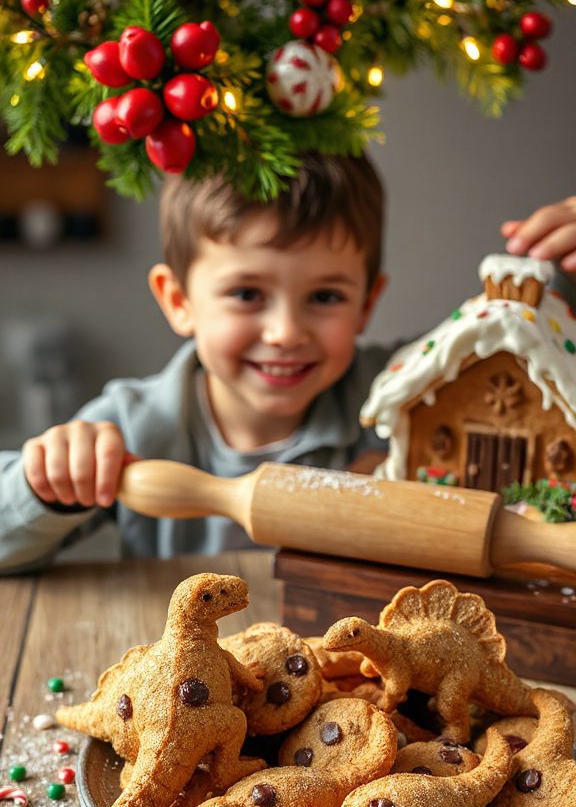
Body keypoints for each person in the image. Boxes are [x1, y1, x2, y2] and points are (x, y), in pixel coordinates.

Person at [0, 159, 574, 571]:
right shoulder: (133, 426)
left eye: (325, 297)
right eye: (247, 294)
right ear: (178, 300)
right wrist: (43, 485)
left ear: (367, 303)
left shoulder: (415, 392)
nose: (285, 333)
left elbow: (522, 355)